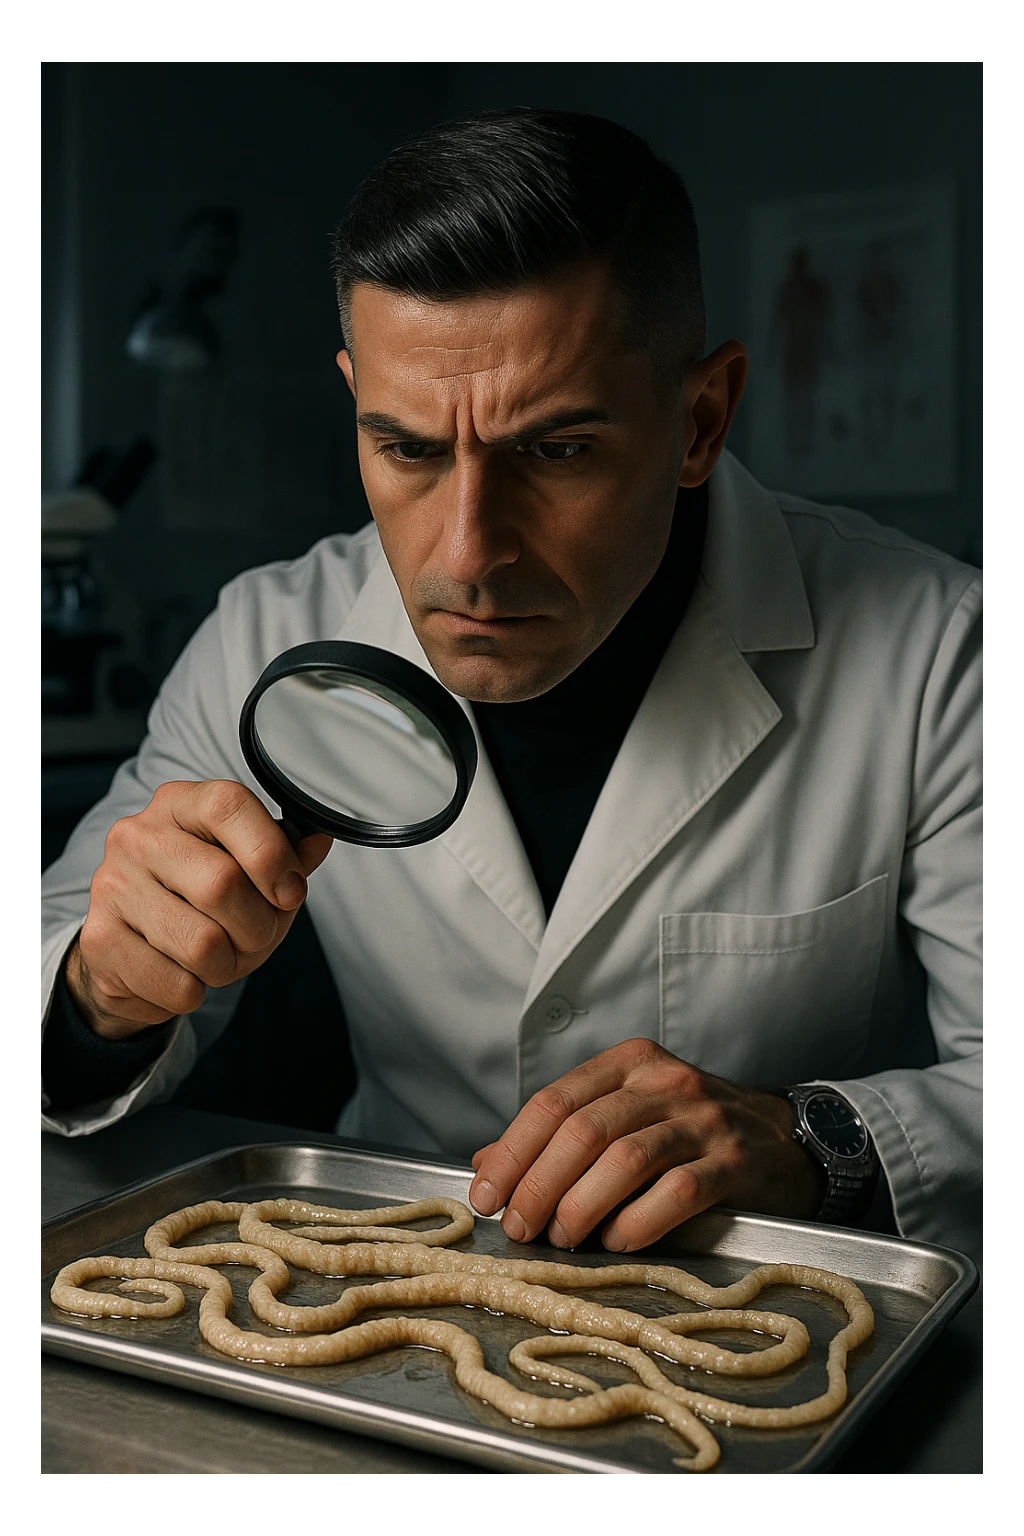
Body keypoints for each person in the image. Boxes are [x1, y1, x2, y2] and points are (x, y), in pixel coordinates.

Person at [41, 108, 981, 1262]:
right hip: (382, 1293)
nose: (466, 554)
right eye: (409, 450)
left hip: (759, 1320)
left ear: (699, 420)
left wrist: (815, 1137)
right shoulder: (267, 634)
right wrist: (98, 990)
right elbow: (47, 979)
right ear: (356, 404)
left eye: (556, 451)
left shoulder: (945, 654)